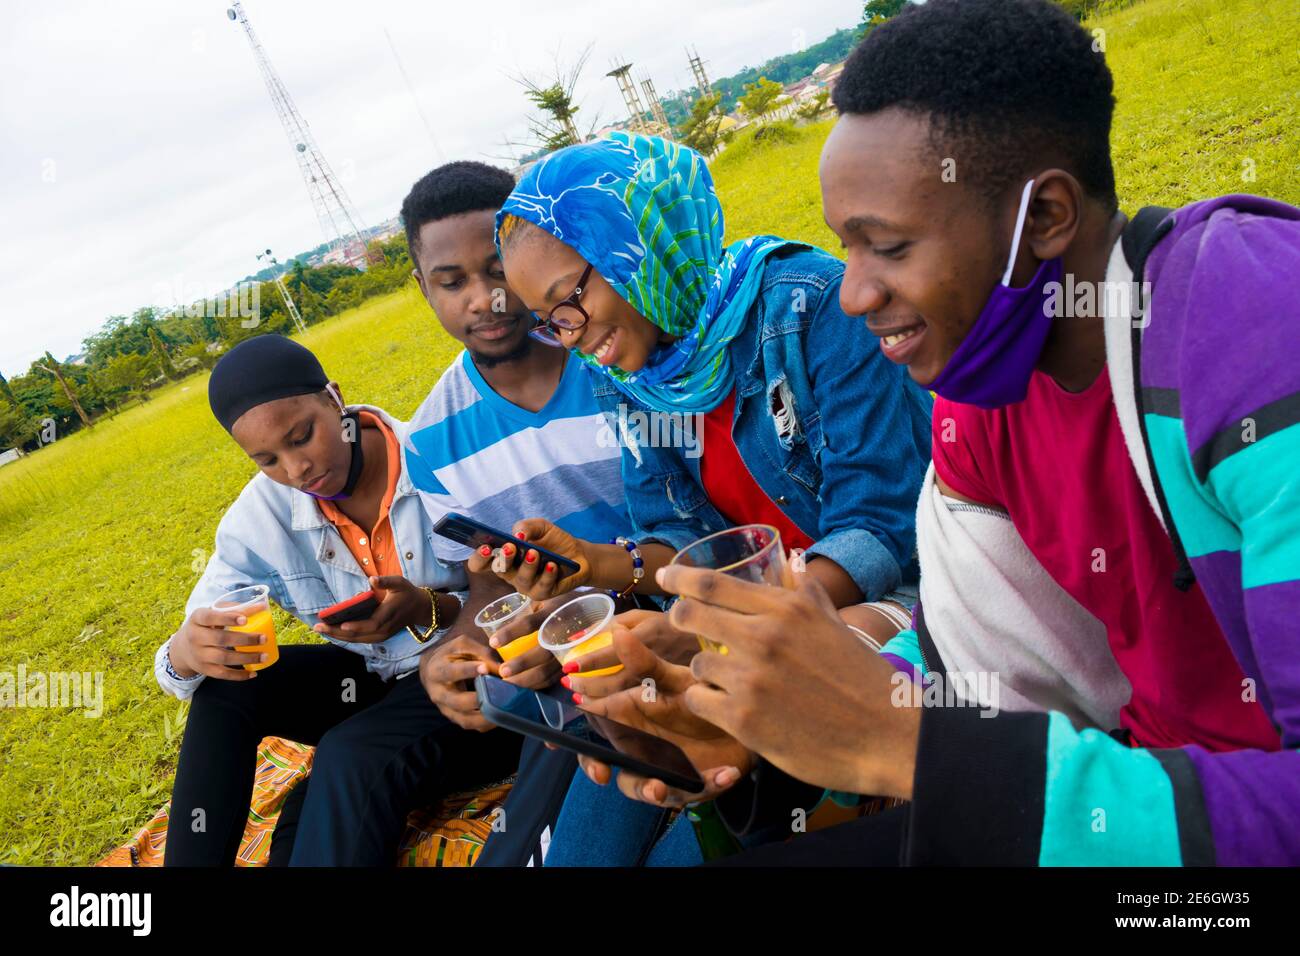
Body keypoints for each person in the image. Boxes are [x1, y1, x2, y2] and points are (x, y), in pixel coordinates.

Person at [570, 0, 1300, 866]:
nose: (852, 294)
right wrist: (749, 715)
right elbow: (982, 666)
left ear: (1045, 218)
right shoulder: (982, 390)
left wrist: (912, 746)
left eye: (888, 247)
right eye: (848, 248)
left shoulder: (1251, 332)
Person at [485, 130, 933, 645]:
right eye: (548, 322)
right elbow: (680, 535)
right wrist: (587, 563)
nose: (570, 336)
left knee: (776, 690)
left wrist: (719, 631)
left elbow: (875, 528)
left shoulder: (811, 306)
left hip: (901, 588)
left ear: (633, 250)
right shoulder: (626, 374)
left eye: (568, 300)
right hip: (762, 617)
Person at [397, 160, 694, 865]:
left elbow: (705, 523)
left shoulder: (619, 355)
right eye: (452, 281)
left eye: (499, 269)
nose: (486, 299)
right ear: (423, 287)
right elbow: (488, 585)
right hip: (577, 670)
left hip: (684, 628)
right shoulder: (432, 439)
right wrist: (457, 653)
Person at [155, 334, 521, 866]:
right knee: (224, 691)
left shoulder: (437, 457)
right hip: (374, 685)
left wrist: (424, 609)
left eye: (302, 437)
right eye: (267, 460)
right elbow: (193, 642)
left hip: (475, 687)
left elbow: (513, 594)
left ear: (335, 398)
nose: (296, 469)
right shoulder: (262, 515)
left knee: (348, 759)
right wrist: (188, 653)